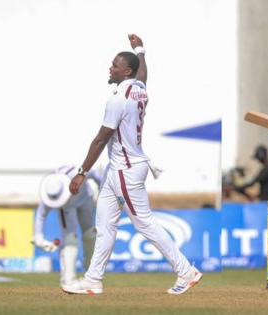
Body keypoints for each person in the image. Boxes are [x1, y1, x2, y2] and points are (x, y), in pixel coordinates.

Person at [62, 34, 202, 295]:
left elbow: (101, 139)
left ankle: (186, 271)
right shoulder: (138, 88)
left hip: (126, 169)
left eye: (114, 65)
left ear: (125, 71)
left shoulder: (118, 99)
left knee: (144, 223)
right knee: (104, 225)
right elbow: (143, 75)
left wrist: (82, 173)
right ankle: (93, 280)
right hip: (117, 170)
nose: (110, 68)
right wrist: (140, 50)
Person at [33, 165, 101, 289]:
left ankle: (91, 275)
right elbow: (41, 214)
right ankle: (68, 280)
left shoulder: (75, 174)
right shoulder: (49, 193)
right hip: (67, 208)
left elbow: (94, 173)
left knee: (90, 234)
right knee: (70, 239)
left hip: (85, 199)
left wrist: (103, 189)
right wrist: (38, 237)